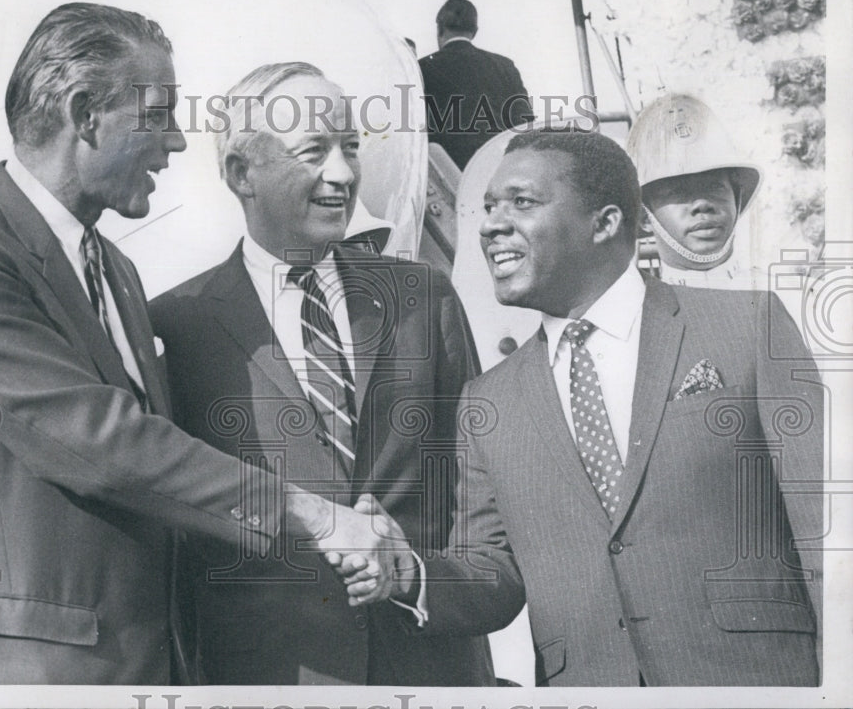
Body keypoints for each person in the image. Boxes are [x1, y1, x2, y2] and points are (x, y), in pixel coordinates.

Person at [0, 4, 393, 685]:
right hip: (14, 674)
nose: (176, 142)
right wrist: (317, 516)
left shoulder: (115, 271)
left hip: (137, 667)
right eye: (158, 115)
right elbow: (99, 441)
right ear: (85, 114)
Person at [346, 129, 823, 686]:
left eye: (522, 202)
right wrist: (408, 572)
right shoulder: (487, 401)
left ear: (605, 222)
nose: (491, 225)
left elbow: (828, 533)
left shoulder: (748, 327)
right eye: (490, 207)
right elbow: (492, 572)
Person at [148, 62, 494, 686]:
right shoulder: (178, 325)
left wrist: (421, 580)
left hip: (432, 669)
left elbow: (479, 496)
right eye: (314, 151)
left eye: (350, 147)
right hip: (275, 680)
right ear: (241, 174)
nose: (343, 173)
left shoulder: (424, 297)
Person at [625, 93, 763, 289]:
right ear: (644, 217)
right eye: (678, 192)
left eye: (715, 187)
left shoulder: (788, 298)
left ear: (737, 198)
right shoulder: (635, 306)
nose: (702, 204)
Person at [418, 0, 534, 171]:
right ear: (475, 31)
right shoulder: (505, 66)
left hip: (447, 173)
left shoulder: (422, 68)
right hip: (495, 169)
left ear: (440, 28)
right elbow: (524, 124)